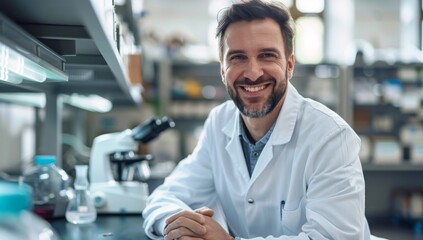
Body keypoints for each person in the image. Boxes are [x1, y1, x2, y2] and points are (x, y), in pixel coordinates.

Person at [143, 0, 372, 239]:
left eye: (267, 55)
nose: (253, 73)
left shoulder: (331, 137)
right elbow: (165, 196)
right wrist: (179, 226)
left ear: (290, 65)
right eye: (238, 58)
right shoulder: (219, 122)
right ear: (222, 70)